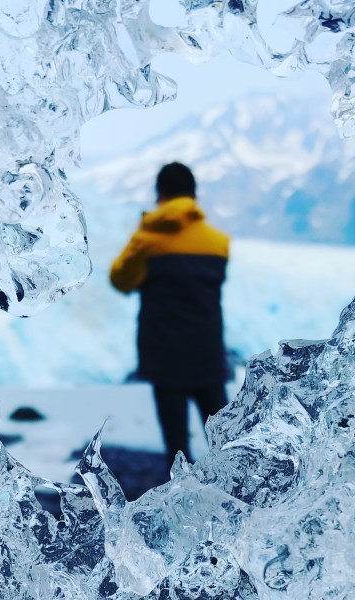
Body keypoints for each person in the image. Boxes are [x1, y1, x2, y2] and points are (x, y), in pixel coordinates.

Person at [110, 162, 230, 466]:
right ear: (194, 195)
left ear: (160, 194)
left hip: (164, 355)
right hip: (208, 352)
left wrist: (143, 233)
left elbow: (121, 280)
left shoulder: (148, 240)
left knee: (177, 448)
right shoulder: (218, 243)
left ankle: (184, 502)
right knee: (226, 438)